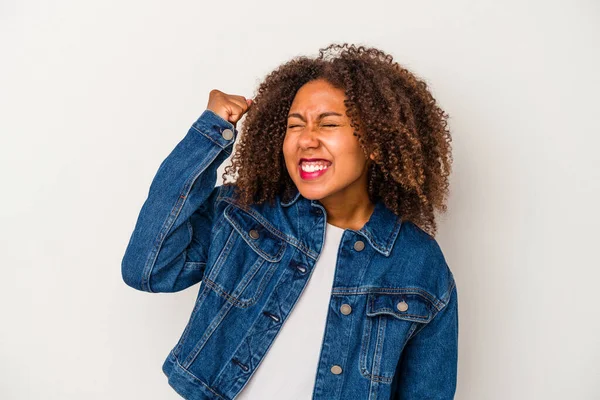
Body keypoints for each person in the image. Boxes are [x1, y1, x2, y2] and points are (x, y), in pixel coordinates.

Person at [121, 43, 458, 400]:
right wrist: (211, 132)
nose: (306, 139)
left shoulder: (420, 266)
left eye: (328, 123)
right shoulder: (243, 212)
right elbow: (149, 269)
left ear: (375, 143)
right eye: (294, 125)